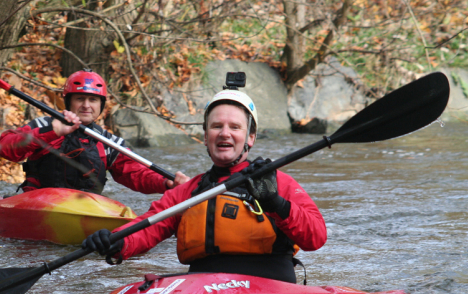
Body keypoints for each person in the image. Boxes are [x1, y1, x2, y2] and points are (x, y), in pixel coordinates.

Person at [83, 88, 327, 283]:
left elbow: (316, 237)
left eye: (235, 127)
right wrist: (116, 242)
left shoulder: (278, 183)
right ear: (205, 135)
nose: (224, 133)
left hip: (270, 285)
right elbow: (149, 227)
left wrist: (276, 202)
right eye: (216, 126)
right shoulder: (188, 191)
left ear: (250, 137)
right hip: (202, 288)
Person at [0, 69, 189, 195]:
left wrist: (166, 183)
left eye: (93, 100)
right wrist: (52, 132)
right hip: (37, 202)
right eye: (80, 99)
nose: (86, 106)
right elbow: (5, 148)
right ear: (69, 102)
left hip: (84, 207)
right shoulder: (44, 125)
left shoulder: (108, 142)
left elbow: (137, 173)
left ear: (101, 105)